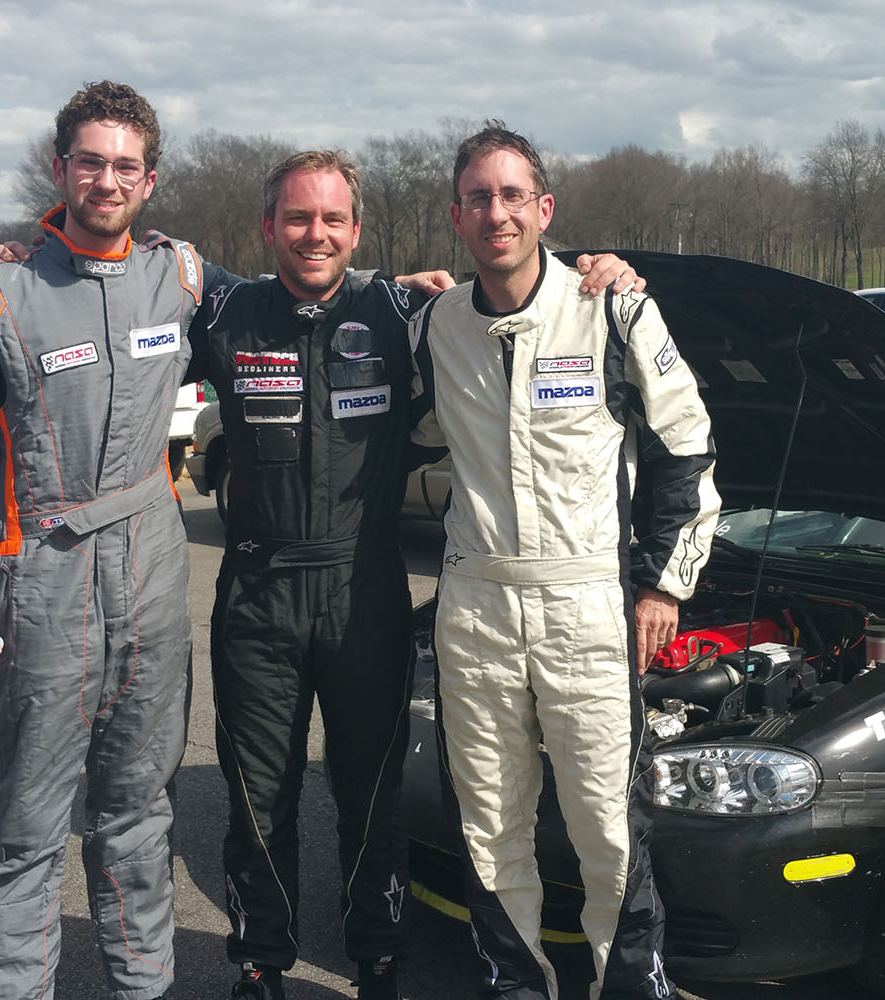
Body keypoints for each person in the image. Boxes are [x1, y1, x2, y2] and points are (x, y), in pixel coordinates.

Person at [185, 150, 645, 1000]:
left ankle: (379, 964)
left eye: (331, 219)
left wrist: (600, 263)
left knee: (372, 798)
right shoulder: (224, 314)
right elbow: (113, 313)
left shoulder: (405, 312)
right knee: (259, 802)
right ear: (267, 227)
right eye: (296, 218)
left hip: (365, 592)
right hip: (258, 596)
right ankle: (259, 966)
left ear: (356, 231)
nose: (313, 234)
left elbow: (513, 276)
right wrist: (38, 253)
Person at [0, 81, 220, 1000]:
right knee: (30, 823)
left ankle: (142, 987)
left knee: (138, 811)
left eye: (126, 165)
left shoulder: (183, 275)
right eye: (91, 160)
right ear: (61, 169)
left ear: (151, 179)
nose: (107, 179)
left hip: (155, 573)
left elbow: (290, 307)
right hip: (41, 580)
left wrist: (405, 289)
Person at [408, 122, 720, 1000]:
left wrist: (664, 583)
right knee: (489, 828)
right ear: (457, 216)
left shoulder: (611, 306)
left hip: (585, 602)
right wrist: (388, 290)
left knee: (610, 833)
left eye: (513, 196)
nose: (496, 212)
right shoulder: (432, 326)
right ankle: (518, 988)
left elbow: (686, 446)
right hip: (475, 605)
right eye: (479, 197)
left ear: (544, 210)